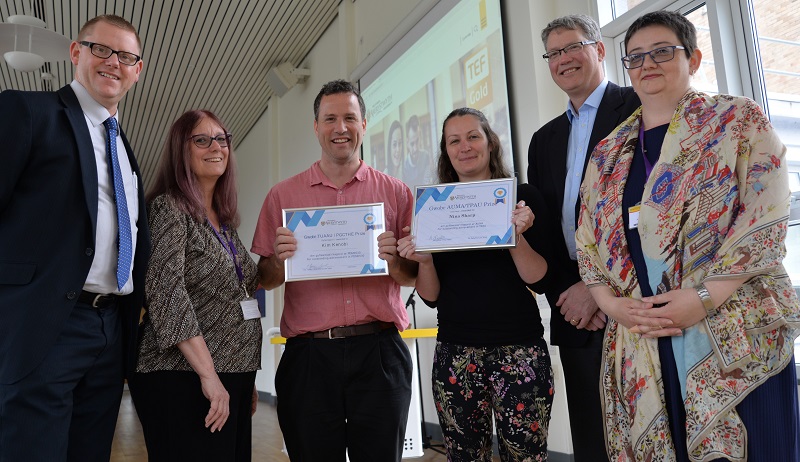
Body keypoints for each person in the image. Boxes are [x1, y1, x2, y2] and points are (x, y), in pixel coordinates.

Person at [576, 10, 800, 461]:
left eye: (662, 51)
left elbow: (766, 212)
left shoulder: (736, 121)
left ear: (694, 58)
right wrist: (612, 305)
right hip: (644, 333)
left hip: (729, 330)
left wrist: (703, 296)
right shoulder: (606, 153)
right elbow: (588, 242)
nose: (647, 64)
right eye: (635, 56)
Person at [0, 15, 149, 462]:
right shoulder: (27, 112)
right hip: (43, 325)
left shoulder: (124, 147)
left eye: (126, 56)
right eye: (100, 49)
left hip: (109, 328)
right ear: (75, 52)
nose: (113, 63)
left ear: (137, 70)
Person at [251, 79, 418, 461]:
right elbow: (265, 278)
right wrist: (278, 258)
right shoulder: (283, 196)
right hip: (310, 357)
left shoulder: (396, 193)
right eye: (330, 119)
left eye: (349, 118)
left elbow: (411, 276)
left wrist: (395, 260)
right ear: (316, 126)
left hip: (379, 351)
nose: (340, 128)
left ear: (363, 123)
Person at [398, 107, 554, 461]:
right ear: (446, 151)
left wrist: (515, 236)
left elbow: (540, 279)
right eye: (454, 140)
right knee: (465, 457)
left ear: (490, 142)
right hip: (456, 354)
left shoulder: (523, 198)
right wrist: (423, 260)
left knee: (527, 456)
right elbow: (431, 297)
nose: (464, 147)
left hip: (520, 352)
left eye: (473, 136)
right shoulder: (433, 210)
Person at [526, 14, 640, 461]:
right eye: (554, 53)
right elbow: (547, 230)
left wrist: (600, 287)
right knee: (593, 442)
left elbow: (653, 215)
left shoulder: (637, 107)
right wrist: (569, 291)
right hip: (577, 314)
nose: (563, 59)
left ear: (599, 49)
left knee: (648, 435)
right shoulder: (544, 140)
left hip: (637, 303)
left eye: (572, 47)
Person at [128, 110, 261, 461]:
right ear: (180, 151)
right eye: (201, 140)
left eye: (221, 139)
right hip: (183, 376)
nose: (215, 146)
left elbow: (240, 289)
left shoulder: (223, 220)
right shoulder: (169, 209)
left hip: (228, 373)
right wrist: (210, 376)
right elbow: (166, 293)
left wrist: (241, 374)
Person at [403, 114, 433, 187]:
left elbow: (428, 182)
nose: (415, 148)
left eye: (417, 141)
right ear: (407, 142)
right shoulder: (404, 166)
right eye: (412, 144)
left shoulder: (426, 155)